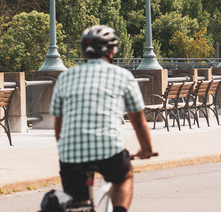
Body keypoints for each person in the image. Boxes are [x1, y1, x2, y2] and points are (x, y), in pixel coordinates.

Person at [50, 26, 156, 212]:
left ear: (84, 51)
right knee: (124, 176)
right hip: (108, 150)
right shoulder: (123, 76)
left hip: (71, 155)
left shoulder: (65, 77)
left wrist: (67, 152)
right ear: (111, 51)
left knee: (78, 204)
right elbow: (139, 122)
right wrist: (146, 150)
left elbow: (58, 128)